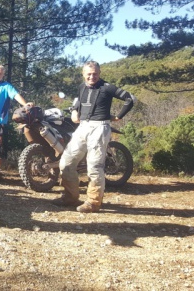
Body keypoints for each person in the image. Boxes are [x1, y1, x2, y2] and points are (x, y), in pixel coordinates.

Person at [53, 61, 135, 213]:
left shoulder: (107, 87)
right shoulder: (82, 86)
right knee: (66, 162)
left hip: (100, 128)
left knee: (95, 166)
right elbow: (78, 100)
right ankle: (70, 197)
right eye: (89, 74)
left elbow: (131, 99)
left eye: (95, 74)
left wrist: (118, 116)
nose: (92, 77)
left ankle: (93, 202)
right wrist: (74, 110)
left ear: (99, 73)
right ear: (83, 74)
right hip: (83, 126)